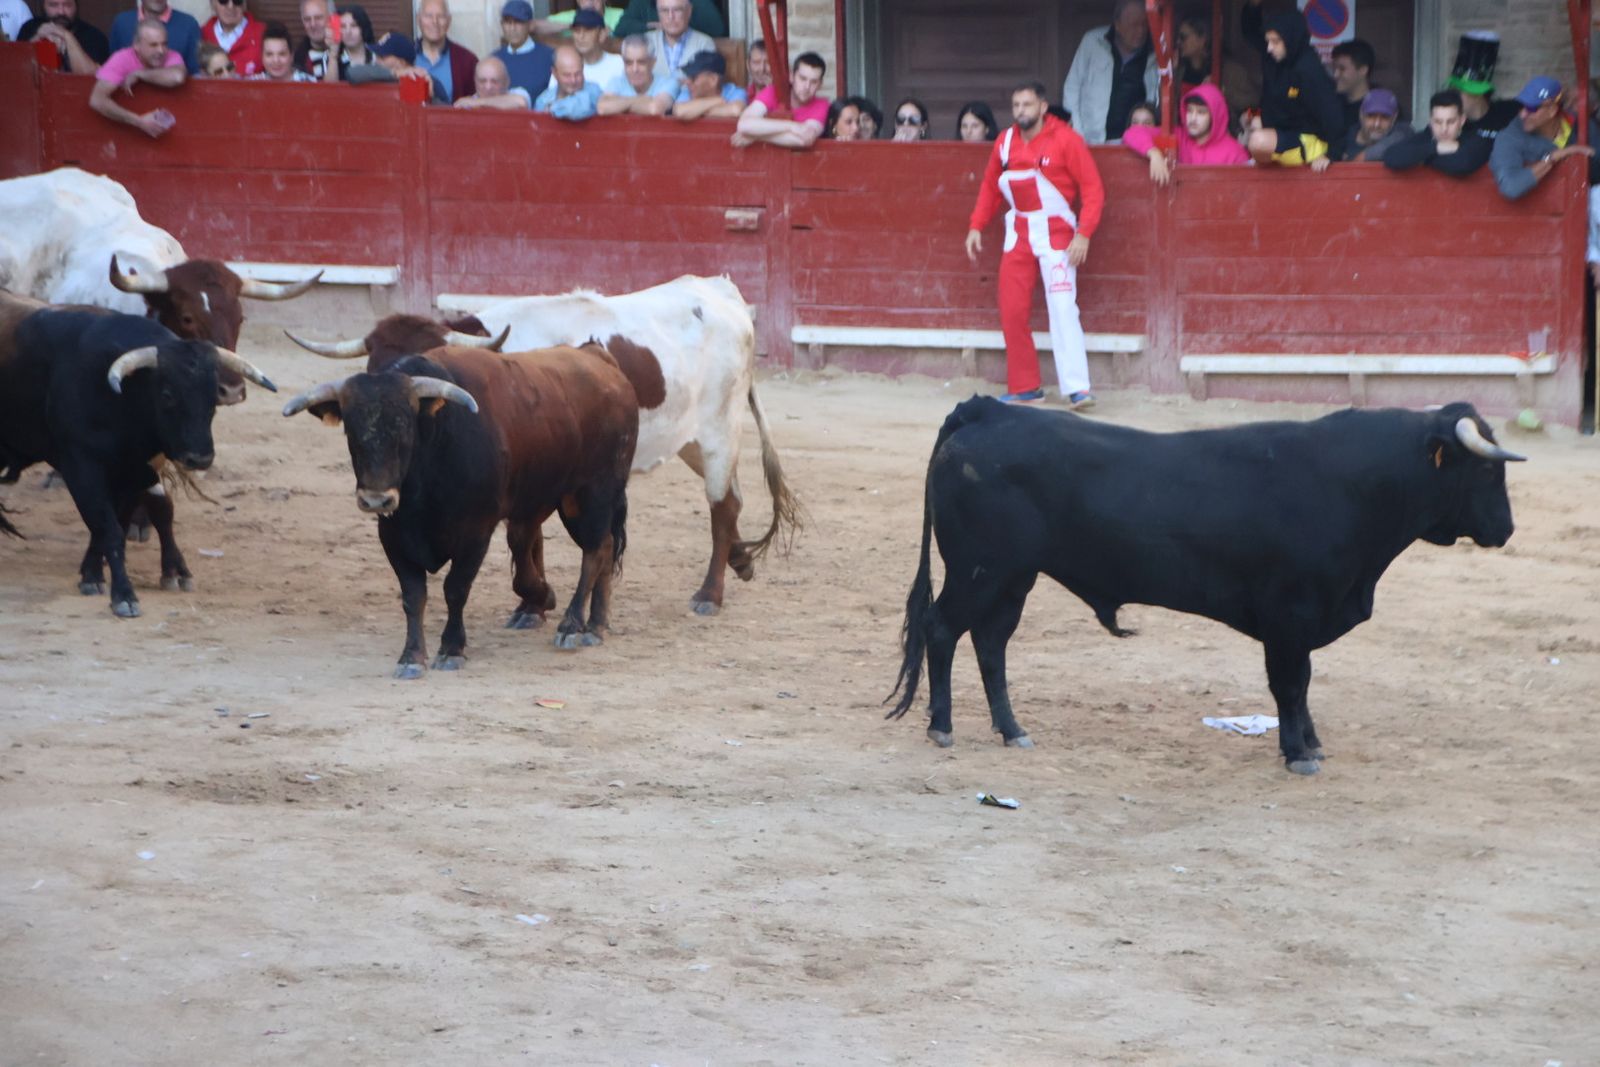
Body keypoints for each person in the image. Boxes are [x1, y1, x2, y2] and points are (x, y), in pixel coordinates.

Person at [965, 80, 1104, 409]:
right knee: (1012, 309)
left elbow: (1094, 189)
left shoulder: (1066, 140)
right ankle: (1025, 387)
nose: (1020, 112)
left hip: (1057, 233)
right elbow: (990, 187)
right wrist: (976, 225)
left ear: (1042, 107)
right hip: (1020, 232)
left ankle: (1078, 388)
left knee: (1062, 308)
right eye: (1016, 106)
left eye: (1026, 105)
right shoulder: (1005, 141)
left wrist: (1084, 234)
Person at [1243, 2, 1343, 166]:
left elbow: (1332, 115)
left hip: (1307, 138)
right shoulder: (1274, 57)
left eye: (1275, 42)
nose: (1269, 48)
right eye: (1268, 41)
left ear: (1290, 39)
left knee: (1258, 141)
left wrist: (1331, 155)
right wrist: (1253, 5)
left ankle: (1270, 161)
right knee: (1248, 116)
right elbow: (1250, 32)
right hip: (1279, 132)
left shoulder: (1309, 70)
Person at [1061, 0, 1158, 145]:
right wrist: (1078, 134)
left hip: (1134, 144)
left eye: (1144, 24)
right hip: (1090, 139)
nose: (1140, 30)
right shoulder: (1093, 41)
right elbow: (1072, 88)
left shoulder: (1154, 52)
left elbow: (1158, 99)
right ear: (1117, 25)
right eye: (1133, 25)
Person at [1491, 77, 1595, 202]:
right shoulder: (1510, 136)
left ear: (1552, 110)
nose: (1523, 114)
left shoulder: (1582, 125)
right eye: (1522, 106)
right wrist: (1552, 158)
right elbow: (1511, 187)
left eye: (1532, 109)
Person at [1122, 83, 1246, 184]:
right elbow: (1133, 132)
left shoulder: (1235, 152)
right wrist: (1153, 154)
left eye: (1201, 113)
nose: (1193, 118)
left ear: (1215, 116)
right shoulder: (1178, 135)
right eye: (1189, 111)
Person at [91, 17, 184, 137]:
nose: (161, 50)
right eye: (153, 45)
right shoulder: (121, 58)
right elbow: (97, 100)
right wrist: (138, 121)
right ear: (136, 45)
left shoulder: (171, 55)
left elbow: (177, 77)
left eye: (164, 44)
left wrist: (139, 74)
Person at [1383, 89, 1493, 177]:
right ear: (1431, 121)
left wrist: (1423, 157)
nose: (1444, 128)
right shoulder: (1425, 137)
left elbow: (1463, 164)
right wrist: (1436, 148)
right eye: (1438, 122)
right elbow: (1391, 156)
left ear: (1462, 120)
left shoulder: (1476, 139)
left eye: (1450, 122)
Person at [732, 50, 828, 150]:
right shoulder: (773, 92)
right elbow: (744, 125)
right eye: (802, 78)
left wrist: (756, 136)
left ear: (820, 85)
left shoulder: (822, 105)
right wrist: (791, 126)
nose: (807, 87)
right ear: (791, 77)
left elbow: (804, 139)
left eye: (814, 82)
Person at [1174, 13, 1253, 130]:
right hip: (1183, 134)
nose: (1178, 42)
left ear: (1202, 39)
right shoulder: (1179, 70)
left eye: (1183, 37)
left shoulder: (1230, 70)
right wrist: (1170, 74)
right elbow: (1168, 107)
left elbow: (1253, 102)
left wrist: (1224, 91)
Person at [1448, 31, 1520, 147]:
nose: (1452, 97)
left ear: (1478, 94)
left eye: (1458, 92)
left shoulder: (1509, 112)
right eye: (1452, 90)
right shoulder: (1448, 121)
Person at [347, 31, 447, 103]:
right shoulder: (377, 75)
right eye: (377, 55)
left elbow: (445, 117)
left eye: (382, 56)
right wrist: (395, 73)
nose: (377, 60)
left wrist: (430, 97)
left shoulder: (429, 79)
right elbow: (351, 73)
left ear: (401, 62)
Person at [18, 0, 111, 75]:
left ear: (76, 6)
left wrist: (67, 37)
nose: (61, 12)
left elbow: (89, 76)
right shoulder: (30, 28)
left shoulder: (94, 36)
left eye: (67, 5)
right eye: (53, 5)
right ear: (43, 6)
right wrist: (38, 38)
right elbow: (17, 70)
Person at [110, 0, 200, 74]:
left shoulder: (188, 24)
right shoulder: (122, 22)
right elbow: (112, 70)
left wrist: (141, 75)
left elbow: (196, 73)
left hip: (175, 93)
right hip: (130, 93)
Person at [415, 0, 477, 104]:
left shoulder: (468, 61)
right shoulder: (403, 58)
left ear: (449, 20)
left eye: (441, 16)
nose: (435, 22)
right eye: (428, 16)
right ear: (418, 19)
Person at [597, 33, 675, 115]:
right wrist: (640, 100)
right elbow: (602, 107)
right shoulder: (616, 82)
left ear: (652, 62)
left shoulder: (669, 83)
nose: (635, 69)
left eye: (641, 62)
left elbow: (655, 108)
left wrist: (620, 103)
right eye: (629, 63)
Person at [548, 8, 622, 94]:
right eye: (577, 30)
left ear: (602, 34)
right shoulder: (564, 65)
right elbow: (551, 100)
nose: (581, 36)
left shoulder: (619, 64)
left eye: (588, 30)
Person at [493, 0, 554, 102]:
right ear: (502, 25)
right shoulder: (494, 59)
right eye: (508, 22)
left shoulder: (549, 56)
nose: (512, 28)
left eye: (518, 22)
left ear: (530, 25)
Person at [639, 0, 713, 84]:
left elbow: (706, 86)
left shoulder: (704, 44)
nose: (671, 16)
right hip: (650, 97)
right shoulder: (645, 42)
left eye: (677, 10)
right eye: (665, 10)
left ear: (689, 11)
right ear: (658, 13)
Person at [1333, 87, 1410, 163]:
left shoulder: (1401, 132)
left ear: (1394, 118)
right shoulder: (1344, 140)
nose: (1377, 124)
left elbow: (1402, 135)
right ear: (1361, 115)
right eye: (1371, 116)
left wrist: (1363, 157)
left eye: (1384, 117)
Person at [671, 49, 745, 121]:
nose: (687, 82)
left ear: (713, 80)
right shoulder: (688, 92)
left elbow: (736, 110)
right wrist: (717, 101)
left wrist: (695, 111)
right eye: (687, 77)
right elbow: (680, 111)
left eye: (693, 77)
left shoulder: (734, 92)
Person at [534, 42, 601, 120]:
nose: (573, 80)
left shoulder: (593, 91)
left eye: (577, 74)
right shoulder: (543, 100)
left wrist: (552, 108)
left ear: (583, 69)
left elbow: (579, 108)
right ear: (554, 73)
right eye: (567, 75)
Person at [200, 0, 264, 78]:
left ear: (244, 4)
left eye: (237, 1)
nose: (231, 6)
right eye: (223, 1)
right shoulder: (200, 35)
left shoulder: (263, 33)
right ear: (213, 4)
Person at [614, 0, 723, 39]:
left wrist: (679, 28)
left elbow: (718, 30)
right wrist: (652, 27)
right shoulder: (642, 2)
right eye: (664, 10)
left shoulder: (699, 3)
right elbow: (620, 29)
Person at [1329, 38, 1375, 132]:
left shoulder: (1380, 106)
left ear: (1363, 70)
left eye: (1342, 69)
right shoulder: (1330, 103)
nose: (1335, 75)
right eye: (1334, 68)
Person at [324, 2, 373, 81]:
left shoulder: (375, 55)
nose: (348, 31)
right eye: (343, 26)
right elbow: (329, 89)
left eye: (354, 25)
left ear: (363, 28)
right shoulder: (328, 56)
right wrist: (333, 56)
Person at [292, 0, 334, 79]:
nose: (313, 24)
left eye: (318, 18)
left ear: (332, 18)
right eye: (307, 19)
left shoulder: (347, 52)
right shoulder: (298, 59)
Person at [533, 0, 620, 36]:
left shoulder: (621, 15)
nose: (590, 2)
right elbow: (532, 27)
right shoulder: (570, 17)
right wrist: (573, 25)